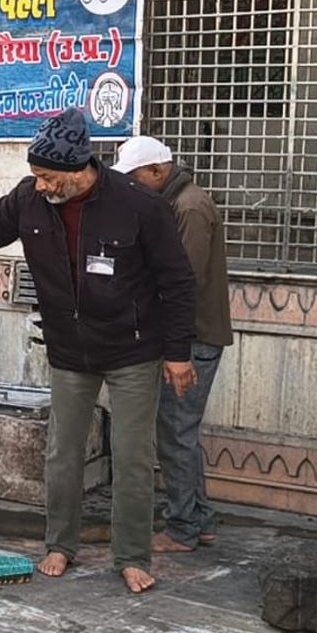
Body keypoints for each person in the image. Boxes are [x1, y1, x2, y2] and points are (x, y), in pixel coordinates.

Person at [0, 109, 197, 593]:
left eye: (46, 177)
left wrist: (178, 352)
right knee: (61, 454)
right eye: (35, 176)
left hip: (133, 349)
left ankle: (131, 555)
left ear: (78, 170)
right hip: (70, 349)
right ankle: (60, 544)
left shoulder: (140, 206)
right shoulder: (28, 201)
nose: (38, 185)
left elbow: (178, 282)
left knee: (132, 457)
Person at [113, 136, 233, 552]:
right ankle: (200, 520)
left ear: (157, 171)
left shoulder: (190, 207)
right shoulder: (177, 203)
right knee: (181, 432)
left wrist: (173, 349)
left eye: (135, 178)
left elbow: (183, 280)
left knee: (176, 433)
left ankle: (182, 527)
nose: (131, 186)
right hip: (189, 337)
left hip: (192, 339)